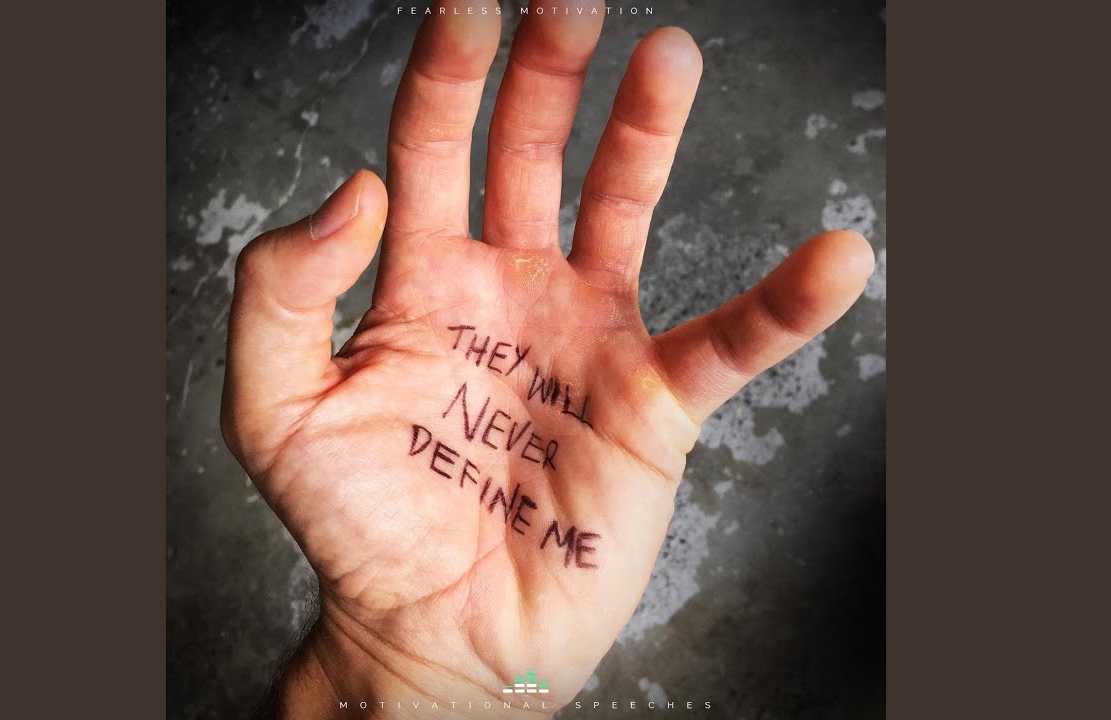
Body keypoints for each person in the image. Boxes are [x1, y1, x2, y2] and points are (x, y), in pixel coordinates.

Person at [221, 1, 874, 717]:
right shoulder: (496, 674)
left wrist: (445, 680)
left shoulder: (502, 673)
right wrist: (431, 674)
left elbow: (489, 688)